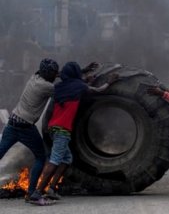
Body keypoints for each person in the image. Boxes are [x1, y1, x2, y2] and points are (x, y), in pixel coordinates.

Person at [29, 61, 118, 206]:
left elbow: (74, 85)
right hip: (62, 130)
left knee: (67, 159)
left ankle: (52, 188)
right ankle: (37, 193)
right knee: (55, 159)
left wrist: (86, 79)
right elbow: (98, 91)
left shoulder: (58, 87)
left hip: (53, 128)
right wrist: (109, 82)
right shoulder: (79, 86)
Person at [0, 58, 59, 204]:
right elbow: (64, 89)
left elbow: (56, 75)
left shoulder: (35, 77)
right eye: (54, 73)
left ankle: (32, 193)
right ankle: (33, 194)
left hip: (13, 122)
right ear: (49, 75)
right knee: (41, 157)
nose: (55, 75)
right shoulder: (47, 87)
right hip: (25, 127)